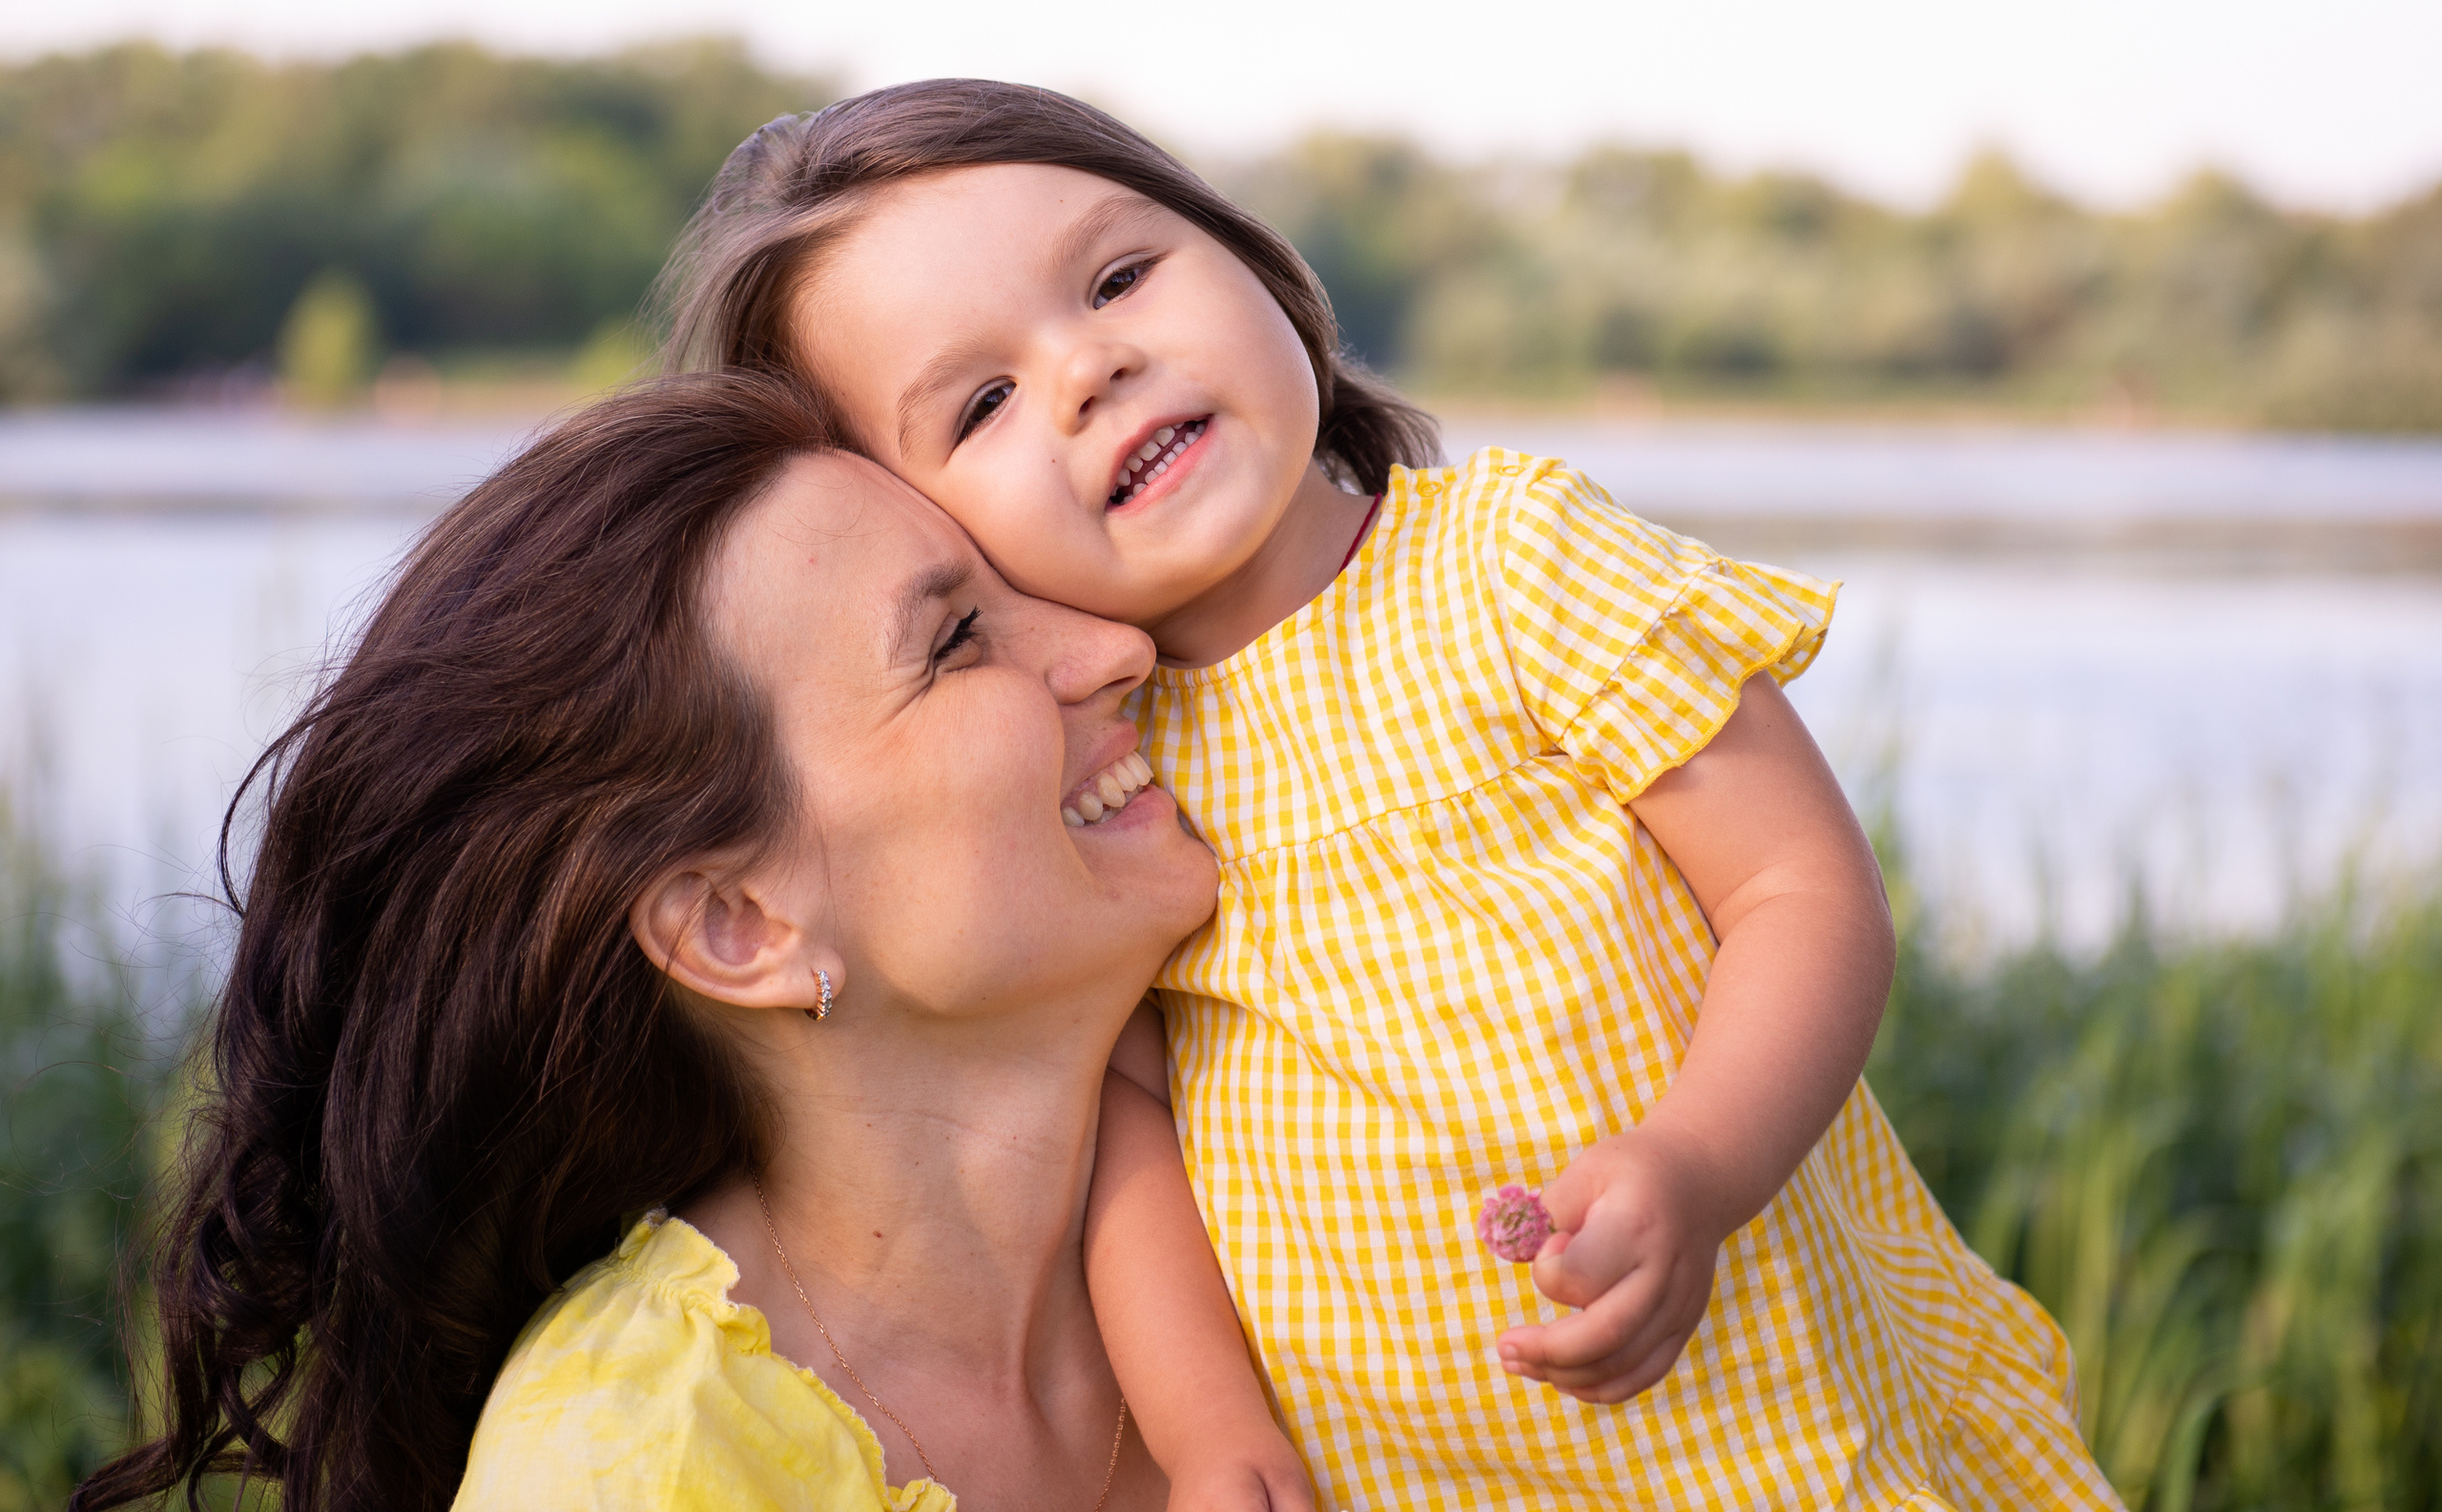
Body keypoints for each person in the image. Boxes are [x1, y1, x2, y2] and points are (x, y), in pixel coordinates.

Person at [656, 81, 2127, 1510]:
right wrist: (1215, 1432)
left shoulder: (1515, 568)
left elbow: (1801, 893)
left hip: (1769, 1424)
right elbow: (1127, 1127)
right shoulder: (1089, 756)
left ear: (1250, 257)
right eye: (981, 401)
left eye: (1117, 278)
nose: (1088, 371)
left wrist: (1693, 1165)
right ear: (906, 520)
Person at [71, 372, 1311, 1512]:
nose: (1115, 648)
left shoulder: (1306, 1150)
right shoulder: (635, 1471)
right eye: (953, 642)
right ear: (738, 928)